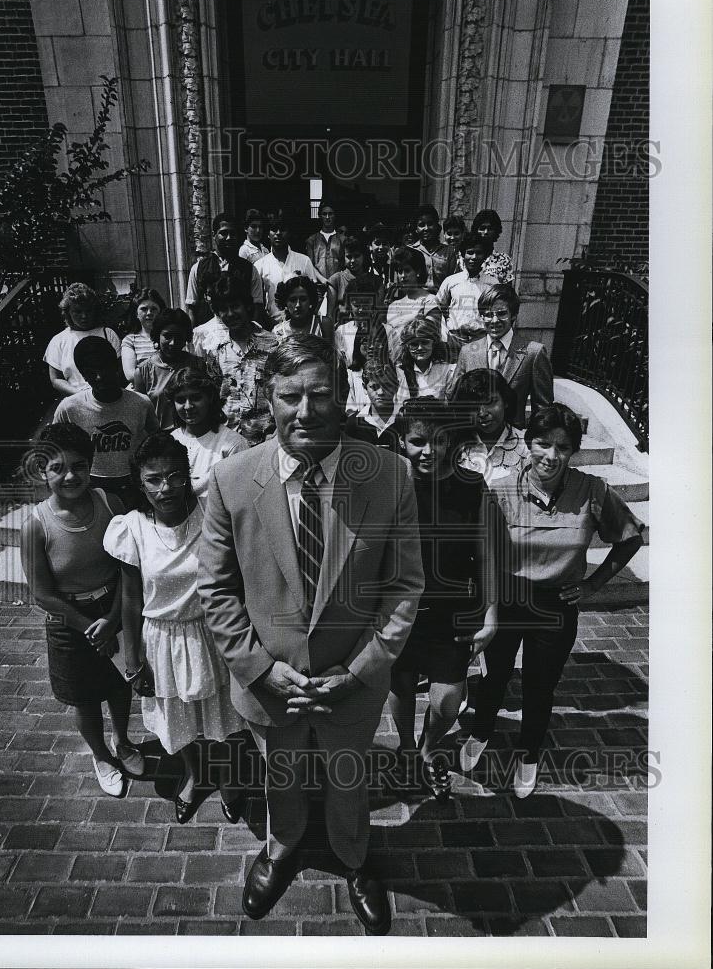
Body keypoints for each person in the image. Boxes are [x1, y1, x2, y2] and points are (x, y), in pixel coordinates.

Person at [197, 335, 424, 936]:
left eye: (321, 394)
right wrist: (260, 669)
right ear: (266, 398)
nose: (306, 410)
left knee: (349, 776)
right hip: (269, 683)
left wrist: (359, 671)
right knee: (282, 774)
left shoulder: (390, 474)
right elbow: (216, 590)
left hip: (353, 681)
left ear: (343, 395)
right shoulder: (230, 480)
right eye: (289, 395)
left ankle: (354, 856)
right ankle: (282, 846)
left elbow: (403, 586)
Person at [459, 403, 645, 798]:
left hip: (556, 604)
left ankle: (528, 753)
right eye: (543, 443)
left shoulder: (593, 490)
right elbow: (483, 553)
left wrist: (593, 585)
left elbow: (630, 537)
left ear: (573, 450)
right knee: (494, 675)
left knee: (540, 686)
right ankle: (482, 730)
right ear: (528, 443)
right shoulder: (501, 491)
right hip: (507, 598)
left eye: (562, 446)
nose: (551, 455)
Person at [104, 433, 246, 824]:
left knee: (226, 718)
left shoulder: (212, 514)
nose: (165, 488)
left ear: (188, 476)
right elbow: (131, 599)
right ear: (139, 483)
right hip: (161, 640)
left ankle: (230, 779)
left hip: (213, 632)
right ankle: (195, 775)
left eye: (174, 476)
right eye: (153, 479)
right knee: (179, 720)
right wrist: (133, 661)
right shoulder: (131, 528)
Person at [20, 423, 144, 798]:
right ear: (42, 470)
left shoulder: (111, 504)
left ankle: (122, 740)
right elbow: (43, 595)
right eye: (57, 468)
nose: (70, 476)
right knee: (85, 696)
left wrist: (112, 619)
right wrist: (90, 627)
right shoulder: (36, 525)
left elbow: (128, 566)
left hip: (114, 608)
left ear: (91, 466)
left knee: (120, 683)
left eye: (78, 466)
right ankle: (101, 755)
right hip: (68, 622)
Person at [388, 398, 498, 800]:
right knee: (400, 683)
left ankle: (430, 746)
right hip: (400, 610)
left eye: (438, 441)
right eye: (418, 441)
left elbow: (486, 554)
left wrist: (491, 614)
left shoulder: (472, 486)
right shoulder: (390, 484)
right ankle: (406, 748)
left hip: (453, 612)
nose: (428, 451)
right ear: (403, 441)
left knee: (448, 700)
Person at [54, 337, 159, 510]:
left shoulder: (141, 403)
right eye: (90, 372)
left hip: (133, 487)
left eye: (104, 368)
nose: (99, 377)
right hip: (90, 489)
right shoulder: (69, 408)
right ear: (83, 375)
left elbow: (157, 443)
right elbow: (53, 450)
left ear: (115, 366)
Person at [451, 283, 554, 428]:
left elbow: (543, 408)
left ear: (514, 315)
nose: (494, 321)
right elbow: (454, 397)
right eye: (488, 315)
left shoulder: (533, 353)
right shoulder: (468, 352)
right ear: (481, 317)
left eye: (501, 313)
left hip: (513, 435)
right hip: (475, 435)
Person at [196, 275, 277, 437]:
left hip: (266, 438)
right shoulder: (216, 351)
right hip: (228, 439)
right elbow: (212, 399)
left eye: (235, 306)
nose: (230, 314)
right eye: (223, 309)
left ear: (247, 306)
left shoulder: (273, 345)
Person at [167, 366, 249, 506]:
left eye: (195, 398)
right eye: (180, 400)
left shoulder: (233, 444)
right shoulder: (170, 441)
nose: (188, 406)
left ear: (210, 397)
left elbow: (241, 496)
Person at [334, 275, 401, 412]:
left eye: (365, 303)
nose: (361, 310)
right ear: (349, 304)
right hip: (353, 392)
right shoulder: (342, 332)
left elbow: (397, 365)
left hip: (381, 391)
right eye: (356, 304)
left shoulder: (388, 331)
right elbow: (340, 367)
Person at [185, 212, 264, 327]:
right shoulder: (198, 268)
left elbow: (257, 308)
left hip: (241, 333)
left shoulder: (249, 269)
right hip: (209, 334)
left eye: (233, 233)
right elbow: (192, 309)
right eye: (224, 233)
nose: (229, 238)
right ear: (214, 235)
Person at [132, 309, 207, 431]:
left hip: (195, 435)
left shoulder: (198, 365)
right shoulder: (142, 372)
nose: (173, 343)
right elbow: (141, 415)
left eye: (179, 337)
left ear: (186, 337)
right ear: (157, 335)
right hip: (160, 438)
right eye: (167, 336)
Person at [44, 282, 122, 397]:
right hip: (75, 397)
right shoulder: (59, 340)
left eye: (88, 311)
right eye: (78, 312)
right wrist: (81, 396)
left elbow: (119, 370)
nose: (84, 316)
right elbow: (56, 379)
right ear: (68, 312)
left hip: (107, 396)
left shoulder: (108, 334)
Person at [452, 368, 529, 482]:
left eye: (490, 402)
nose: (482, 413)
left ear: (505, 401)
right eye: (473, 406)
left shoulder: (526, 446)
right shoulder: (454, 445)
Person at [434, 231, 496, 360]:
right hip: (454, 340)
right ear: (463, 254)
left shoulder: (492, 284)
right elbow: (438, 307)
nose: (474, 257)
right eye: (470, 252)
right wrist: (445, 333)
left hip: (481, 339)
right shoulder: (451, 281)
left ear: (485, 256)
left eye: (479, 253)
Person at [255, 213, 324, 323]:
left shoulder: (304, 261)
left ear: (289, 233)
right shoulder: (260, 265)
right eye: (274, 230)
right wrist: (269, 324)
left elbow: (315, 294)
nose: (278, 233)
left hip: (302, 323)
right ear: (268, 234)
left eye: (282, 229)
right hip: (273, 324)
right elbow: (258, 303)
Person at [343, 356, 402, 451]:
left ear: (396, 386)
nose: (381, 392)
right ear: (364, 388)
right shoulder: (353, 424)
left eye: (387, 385)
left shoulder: (405, 419)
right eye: (374, 387)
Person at [384, 246, 440, 335]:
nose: (403, 275)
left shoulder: (430, 301)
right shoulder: (393, 306)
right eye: (400, 271)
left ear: (418, 271)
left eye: (407, 270)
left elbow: (431, 335)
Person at [396, 316, 453, 402]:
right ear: (407, 346)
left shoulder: (447, 370)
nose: (420, 348)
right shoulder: (399, 371)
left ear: (434, 343)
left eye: (425, 342)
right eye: (414, 344)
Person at [325, 236, 379, 323]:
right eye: (349, 257)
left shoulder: (376, 281)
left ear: (364, 256)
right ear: (343, 257)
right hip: (341, 328)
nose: (353, 260)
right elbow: (330, 315)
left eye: (357, 256)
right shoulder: (336, 280)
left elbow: (379, 313)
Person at [121, 288, 166, 383]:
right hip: (142, 390)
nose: (149, 313)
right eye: (144, 309)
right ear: (136, 313)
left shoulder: (169, 337)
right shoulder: (130, 340)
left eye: (154, 309)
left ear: (161, 312)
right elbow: (130, 375)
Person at [412, 204, 459, 292]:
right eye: (422, 225)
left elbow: (454, 283)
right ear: (416, 229)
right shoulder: (411, 251)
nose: (426, 228)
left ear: (437, 226)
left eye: (430, 224)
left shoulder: (448, 252)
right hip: (417, 299)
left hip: (441, 299)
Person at [274, 276, 334, 343]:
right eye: (293, 300)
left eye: (303, 299)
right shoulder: (278, 331)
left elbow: (330, 349)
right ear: (285, 303)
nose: (298, 305)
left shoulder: (323, 324)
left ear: (311, 300)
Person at [471, 209, 514, 284]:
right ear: (476, 230)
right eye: (482, 228)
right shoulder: (466, 258)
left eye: (490, 229)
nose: (486, 232)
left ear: (496, 231)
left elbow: (507, 289)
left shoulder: (503, 259)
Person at [305, 202, 345, 280]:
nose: (327, 217)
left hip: (338, 283)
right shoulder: (312, 240)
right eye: (324, 214)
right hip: (318, 283)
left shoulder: (342, 239)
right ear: (320, 216)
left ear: (335, 216)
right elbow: (309, 265)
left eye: (330, 214)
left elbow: (344, 264)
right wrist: (322, 280)